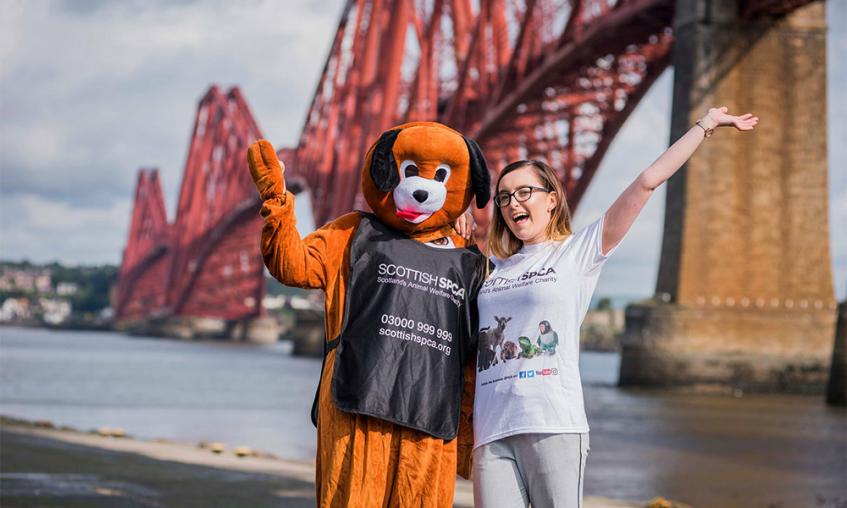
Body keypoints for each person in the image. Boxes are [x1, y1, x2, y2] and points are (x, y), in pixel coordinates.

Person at [464, 107, 757, 507]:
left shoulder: (577, 252)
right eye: (503, 197)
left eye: (524, 192)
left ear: (552, 200)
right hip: (492, 429)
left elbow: (647, 183)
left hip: (553, 424)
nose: (512, 202)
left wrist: (704, 126)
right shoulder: (489, 267)